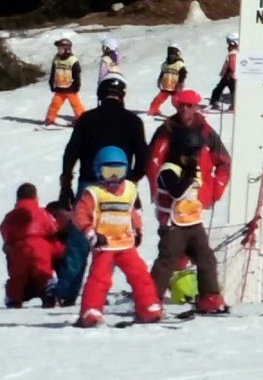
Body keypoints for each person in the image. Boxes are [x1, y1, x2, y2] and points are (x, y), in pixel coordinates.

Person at [72, 147, 163, 327]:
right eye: (108, 173)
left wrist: (138, 229)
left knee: (140, 275)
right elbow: (79, 215)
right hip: (104, 244)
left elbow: (132, 211)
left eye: (118, 172)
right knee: (99, 279)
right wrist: (91, 234)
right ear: (99, 171)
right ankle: (91, 311)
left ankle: (148, 307)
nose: (114, 178)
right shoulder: (94, 192)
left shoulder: (129, 189)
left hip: (125, 244)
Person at [149, 127, 230, 314]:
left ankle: (209, 296)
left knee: (206, 259)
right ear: (180, 153)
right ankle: (150, 299)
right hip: (173, 226)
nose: (195, 158)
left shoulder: (192, 167)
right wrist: (189, 176)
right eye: (192, 154)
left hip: (193, 223)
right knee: (167, 262)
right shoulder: (168, 171)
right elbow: (176, 192)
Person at [60, 74, 148, 207]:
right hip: (122, 187)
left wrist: (66, 184)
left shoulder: (86, 119)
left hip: (90, 185)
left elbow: (71, 152)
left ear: (100, 94)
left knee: (81, 224)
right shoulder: (134, 121)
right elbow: (143, 156)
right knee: (126, 226)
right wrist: (133, 179)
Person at [145, 90, 231, 207]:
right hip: (169, 199)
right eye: (181, 105)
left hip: (198, 200)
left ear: (196, 107)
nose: (184, 108)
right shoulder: (166, 130)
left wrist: (214, 192)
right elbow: (152, 161)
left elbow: (224, 162)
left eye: (189, 105)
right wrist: (156, 191)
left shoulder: (206, 132)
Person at [0, 183, 63, 308]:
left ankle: (13, 298)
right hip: (40, 247)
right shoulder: (42, 212)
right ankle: (50, 293)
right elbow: (53, 227)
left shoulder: (11, 215)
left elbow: (4, 230)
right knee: (43, 271)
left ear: (17, 199)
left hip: (19, 248)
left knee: (17, 275)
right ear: (35, 197)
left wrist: (10, 244)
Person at [44, 201, 89, 307]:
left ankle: (62, 294)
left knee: (73, 260)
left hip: (78, 227)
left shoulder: (65, 218)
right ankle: (67, 295)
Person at [44, 38, 85, 127]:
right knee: (54, 104)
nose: (58, 50)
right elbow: (53, 71)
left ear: (67, 49)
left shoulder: (73, 60)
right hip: (59, 88)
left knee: (76, 105)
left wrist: (77, 85)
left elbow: (77, 74)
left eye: (60, 48)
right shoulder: (56, 58)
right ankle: (49, 119)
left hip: (71, 88)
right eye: (58, 48)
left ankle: (82, 120)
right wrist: (51, 82)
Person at [147, 43, 188, 117]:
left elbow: (183, 74)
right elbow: (162, 73)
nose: (171, 55)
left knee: (176, 102)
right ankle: (153, 110)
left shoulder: (179, 64)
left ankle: (182, 114)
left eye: (173, 53)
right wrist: (159, 80)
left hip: (176, 88)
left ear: (178, 54)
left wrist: (180, 83)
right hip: (166, 87)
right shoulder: (165, 64)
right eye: (170, 53)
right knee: (158, 99)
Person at [209, 32, 239, 111]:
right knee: (232, 91)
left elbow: (232, 64)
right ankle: (233, 106)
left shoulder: (232, 53)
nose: (228, 46)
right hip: (230, 75)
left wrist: (232, 72)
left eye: (229, 44)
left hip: (228, 75)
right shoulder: (236, 52)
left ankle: (214, 102)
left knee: (220, 89)